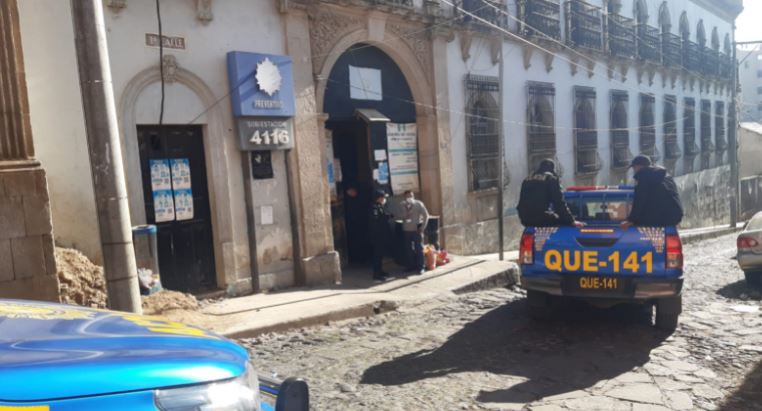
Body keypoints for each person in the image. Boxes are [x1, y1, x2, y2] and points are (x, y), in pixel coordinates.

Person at [517, 159, 585, 228]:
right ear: (552, 169)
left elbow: (522, 201)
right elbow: (559, 203)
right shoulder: (551, 178)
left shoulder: (527, 180)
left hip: (524, 218)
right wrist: (571, 221)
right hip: (541, 218)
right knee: (563, 220)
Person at [621, 155, 683, 229]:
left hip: (659, 219)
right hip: (675, 216)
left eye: (634, 168)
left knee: (637, 224)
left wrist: (631, 220)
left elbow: (640, 200)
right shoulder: (666, 176)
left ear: (639, 166)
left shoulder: (643, 176)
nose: (634, 171)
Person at [400, 190, 429, 274]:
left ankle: (421, 267)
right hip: (406, 230)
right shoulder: (402, 204)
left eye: (411, 196)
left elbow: (426, 215)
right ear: (404, 197)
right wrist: (406, 212)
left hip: (417, 230)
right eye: (408, 196)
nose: (410, 197)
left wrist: (422, 227)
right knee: (408, 250)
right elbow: (400, 216)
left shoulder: (418, 204)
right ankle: (411, 266)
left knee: (419, 249)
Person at [369, 190, 391, 282]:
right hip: (377, 236)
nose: (384, 199)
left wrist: (387, 216)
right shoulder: (373, 207)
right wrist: (385, 218)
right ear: (379, 198)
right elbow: (375, 220)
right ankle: (376, 274)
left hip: (381, 235)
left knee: (380, 255)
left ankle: (380, 271)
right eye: (383, 197)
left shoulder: (379, 206)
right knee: (377, 255)